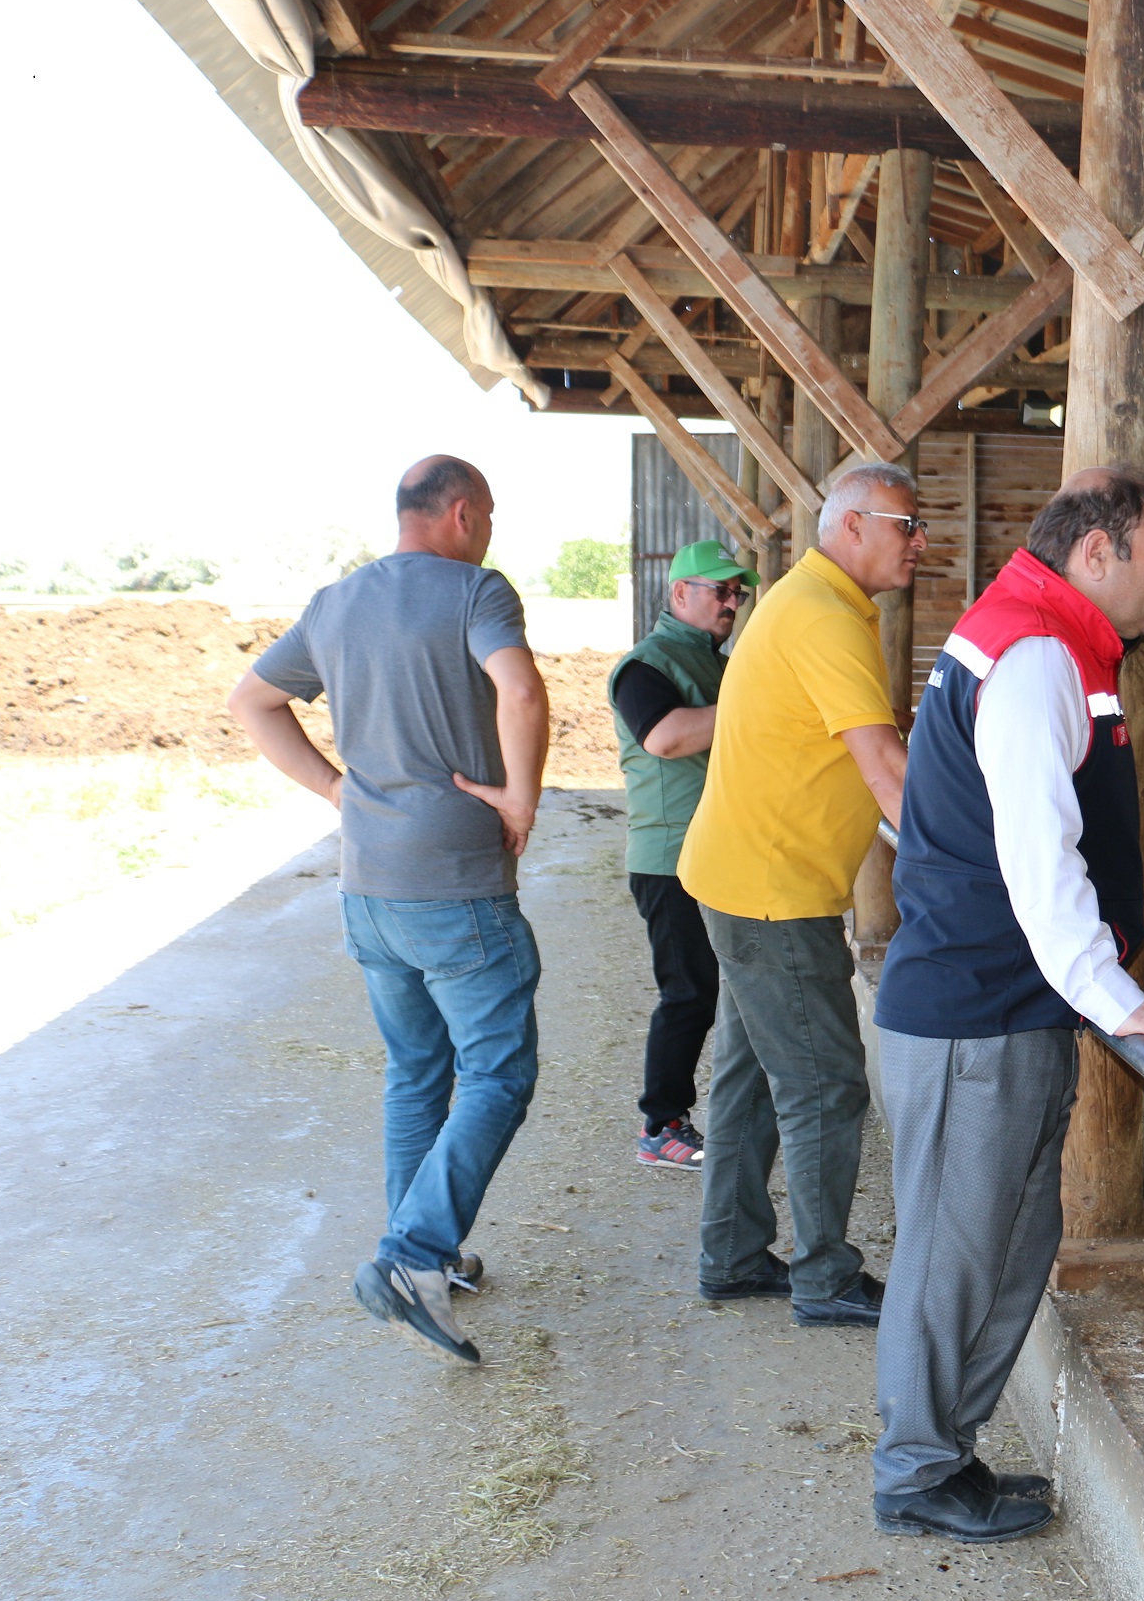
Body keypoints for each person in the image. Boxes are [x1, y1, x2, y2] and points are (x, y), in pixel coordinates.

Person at [868, 466, 1144, 1544]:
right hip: (978, 1014)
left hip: (1004, 1009)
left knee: (1008, 1236)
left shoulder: (1048, 643)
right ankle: (916, 1469)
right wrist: (1116, 997)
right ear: (1094, 553)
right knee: (957, 1251)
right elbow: (1038, 855)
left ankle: (943, 1453)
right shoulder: (1036, 653)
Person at [227, 455, 548, 1365]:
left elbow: (253, 702)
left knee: (416, 1072)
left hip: (367, 889)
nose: (487, 531)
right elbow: (520, 690)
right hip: (456, 886)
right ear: (459, 512)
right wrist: (521, 799)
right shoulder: (476, 591)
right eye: (485, 515)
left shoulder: (335, 603)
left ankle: (425, 1261)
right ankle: (411, 1256)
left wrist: (336, 789)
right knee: (496, 1076)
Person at [674, 463, 921, 1325]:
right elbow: (884, 765)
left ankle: (733, 1255)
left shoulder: (813, 600)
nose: (919, 543)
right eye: (907, 526)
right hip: (775, 893)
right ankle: (823, 1278)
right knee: (824, 1085)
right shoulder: (822, 618)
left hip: (747, 878)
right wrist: (972, 868)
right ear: (852, 524)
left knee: (749, 1078)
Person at [606, 539, 757, 1170]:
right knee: (689, 990)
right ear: (679, 594)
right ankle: (658, 1123)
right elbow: (666, 736)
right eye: (719, 590)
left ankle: (720, 1110)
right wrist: (756, 704)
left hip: (716, 851)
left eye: (737, 593)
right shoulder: (646, 666)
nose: (731, 602)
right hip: (670, 855)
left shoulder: (717, 663)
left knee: (717, 988)